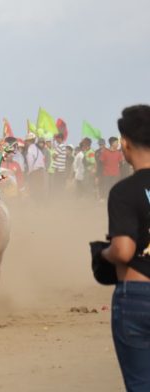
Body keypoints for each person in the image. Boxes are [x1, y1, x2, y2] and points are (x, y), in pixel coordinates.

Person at [100, 104, 150, 391]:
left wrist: (102, 254)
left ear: (125, 144)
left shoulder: (124, 191)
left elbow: (123, 251)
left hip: (138, 296)